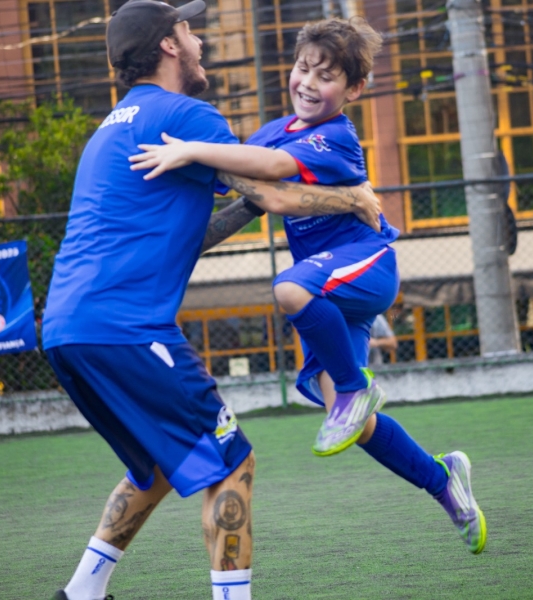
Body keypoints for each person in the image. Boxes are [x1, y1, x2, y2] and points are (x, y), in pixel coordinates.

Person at [42, 2, 386, 599]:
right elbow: (275, 195)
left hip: (66, 329)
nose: (199, 41)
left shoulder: (111, 128)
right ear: (169, 46)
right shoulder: (186, 115)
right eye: (189, 30)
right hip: (128, 328)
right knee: (232, 464)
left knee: (154, 467)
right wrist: (353, 199)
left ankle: (81, 593)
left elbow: (192, 235)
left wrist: (248, 202)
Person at [130, 16, 486, 554]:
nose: (309, 83)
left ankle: (355, 388)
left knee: (289, 291)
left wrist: (192, 149)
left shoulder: (336, 136)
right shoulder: (275, 130)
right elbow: (248, 190)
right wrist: (176, 230)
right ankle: (443, 480)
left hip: (364, 265)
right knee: (355, 425)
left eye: (326, 76)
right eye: (303, 68)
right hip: (330, 287)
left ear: (354, 90)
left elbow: (272, 170)